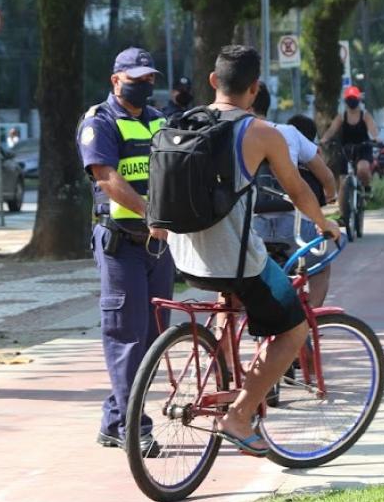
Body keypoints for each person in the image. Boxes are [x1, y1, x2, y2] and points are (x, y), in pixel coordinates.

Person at [165, 45, 342, 454]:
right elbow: (298, 191)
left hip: (186, 258)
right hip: (235, 258)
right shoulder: (261, 132)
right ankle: (240, 416)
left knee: (233, 307)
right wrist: (324, 223)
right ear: (255, 87)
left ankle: (226, 376)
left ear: (213, 81)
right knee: (294, 328)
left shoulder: (184, 121)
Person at [78, 47, 175, 451]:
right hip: (121, 242)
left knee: (154, 336)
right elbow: (105, 176)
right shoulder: (100, 121)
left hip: (158, 244)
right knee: (126, 337)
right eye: (136, 77)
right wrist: (150, 212)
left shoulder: (159, 122)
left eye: (149, 77)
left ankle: (114, 420)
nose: (144, 84)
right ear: (116, 80)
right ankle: (136, 426)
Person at [250, 83, 338, 307]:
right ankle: (311, 321)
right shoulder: (288, 132)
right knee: (321, 263)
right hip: (292, 225)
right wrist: (330, 196)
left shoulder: (232, 132)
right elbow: (326, 176)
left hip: (250, 228)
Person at [320, 85, 379, 191]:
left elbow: (372, 128)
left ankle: (367, 190)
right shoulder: (342, 116)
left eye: (354, 98)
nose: (352, 101)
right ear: (346, 101)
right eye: (349, 98)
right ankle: (344, 199)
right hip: (346, 149)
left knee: (363, 169)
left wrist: (375, 138)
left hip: (363, 148)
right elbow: (332, 129)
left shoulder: (365, 115)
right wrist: (324, 139)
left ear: (359, 99)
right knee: (342, 176)